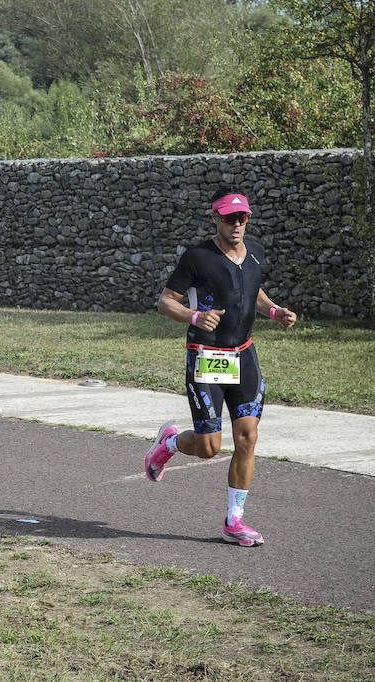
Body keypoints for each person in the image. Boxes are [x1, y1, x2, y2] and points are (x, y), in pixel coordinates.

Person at [143, 190, 298, 547]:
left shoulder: (255, 252)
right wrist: (195, 316)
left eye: (242, 217)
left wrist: (274, 312)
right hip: (206, 355)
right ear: (215, 217)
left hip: (244, 354)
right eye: (230, 218)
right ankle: (168, 443)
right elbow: (165, 302)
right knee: (209, 447)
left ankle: (234, 521)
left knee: (248, 438)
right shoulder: (198, 257)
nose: (237, 224)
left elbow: (252, 291)